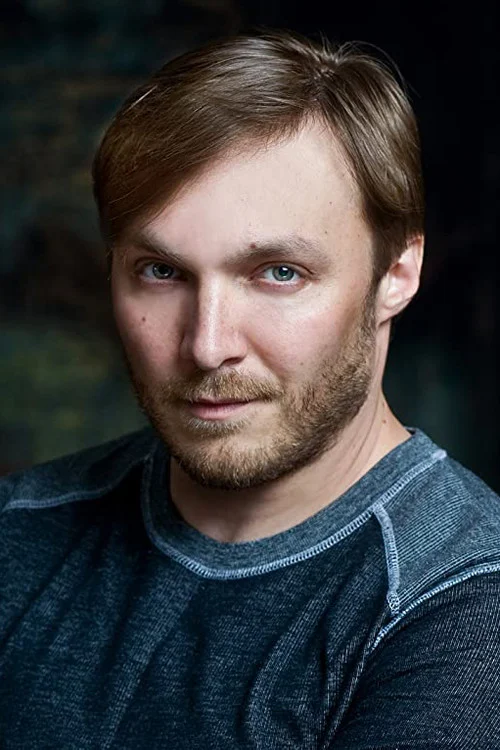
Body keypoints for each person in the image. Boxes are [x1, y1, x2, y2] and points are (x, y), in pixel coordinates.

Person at [1, 29, 500, 749]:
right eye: (162, 272)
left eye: (279, 273)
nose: (208, 345)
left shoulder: (463, 599)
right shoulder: (19, 527)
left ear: (397, 273)